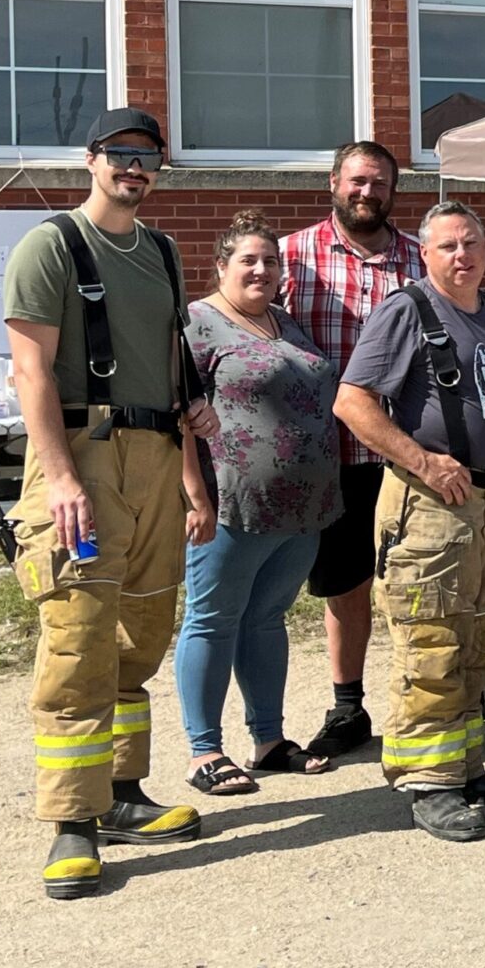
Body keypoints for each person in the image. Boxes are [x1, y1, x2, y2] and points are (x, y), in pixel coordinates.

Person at [4, 106, 219, 899]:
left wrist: (193, 472)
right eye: (122, 155)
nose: (136, 168)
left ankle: (123, 793)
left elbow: (170, 366)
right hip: (81, 458)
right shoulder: (50, 245)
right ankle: (72, 822)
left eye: (149, 157)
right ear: (91, 159)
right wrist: (59, 479)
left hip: (158, 458)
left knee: (144, 628)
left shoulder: (160, 250)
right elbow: (31, 373)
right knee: (77, 640)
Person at [334, 202, 485, 841]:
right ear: (425, 254)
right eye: (447, 246)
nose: (462, 255)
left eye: (471, 242)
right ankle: (429, 783)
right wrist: (421, 458)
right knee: (431, 644)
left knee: (478, 642)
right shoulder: (407, 311)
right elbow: (352, 402)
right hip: (431, 510)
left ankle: (463, 767)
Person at [176, 212, 342, 798]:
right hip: (230, 506)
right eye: (248, 259)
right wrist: (194, 495)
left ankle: (269, 741)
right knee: (213, 619)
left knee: (266, 620)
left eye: (270, 261)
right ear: (221, 266)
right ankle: (204, 751)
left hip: (304, 509)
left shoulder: (286, 323)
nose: (261, 269)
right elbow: (175, 418)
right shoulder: (197, 325)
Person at [281, 140, 425, 761]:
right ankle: (348, 706)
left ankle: (425, 699)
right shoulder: (291, 258)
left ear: (395, 190)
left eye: (380, 184)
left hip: (406, 454)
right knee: (345, 586)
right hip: (328, 455)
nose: (367, 193)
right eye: (357, 181)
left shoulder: (423, 260)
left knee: (416, 581)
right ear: (334, 183)